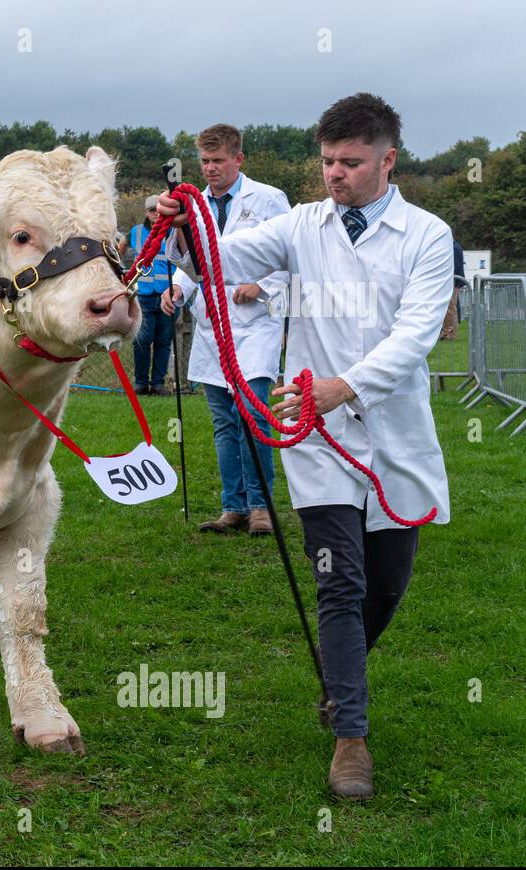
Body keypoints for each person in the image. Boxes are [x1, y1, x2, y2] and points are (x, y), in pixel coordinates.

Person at [158, 93, 452, 801]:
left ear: (388, 160)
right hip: (315, 437)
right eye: (326, 161)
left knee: (384, 586)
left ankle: (337, 671)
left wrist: (343, 387)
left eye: (351, 162)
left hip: (394, 433)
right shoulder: (302, 225)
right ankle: (351, 736)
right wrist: (183, 225)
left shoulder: (427, 235)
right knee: (340, 582)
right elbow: (220, 263)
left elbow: (415, 336)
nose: (335, 175)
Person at [163, 125, 291, 535]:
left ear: (239, 159)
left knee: (252, 413)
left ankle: (261, 506)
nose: (211, 169)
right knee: (223, 420)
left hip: (256, 325)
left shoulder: (270, 199)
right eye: (205, 161)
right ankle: (232, 506)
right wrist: (178, 290)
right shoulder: (193, 202)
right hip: (212, 325)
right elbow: (192, 261)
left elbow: (292, 253)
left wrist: (264, 285)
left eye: (219, 161)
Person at [127, 197, 175, 396]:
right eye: (151, 210)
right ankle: (140, 383)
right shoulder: (136, 232)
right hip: (143, 295)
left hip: (168, 295)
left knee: (163, 341)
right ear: (146, 212)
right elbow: (119, 248)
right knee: (142, 339)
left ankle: (158, 384)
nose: (156, 213)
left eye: (159, 210)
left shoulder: (174, 231)